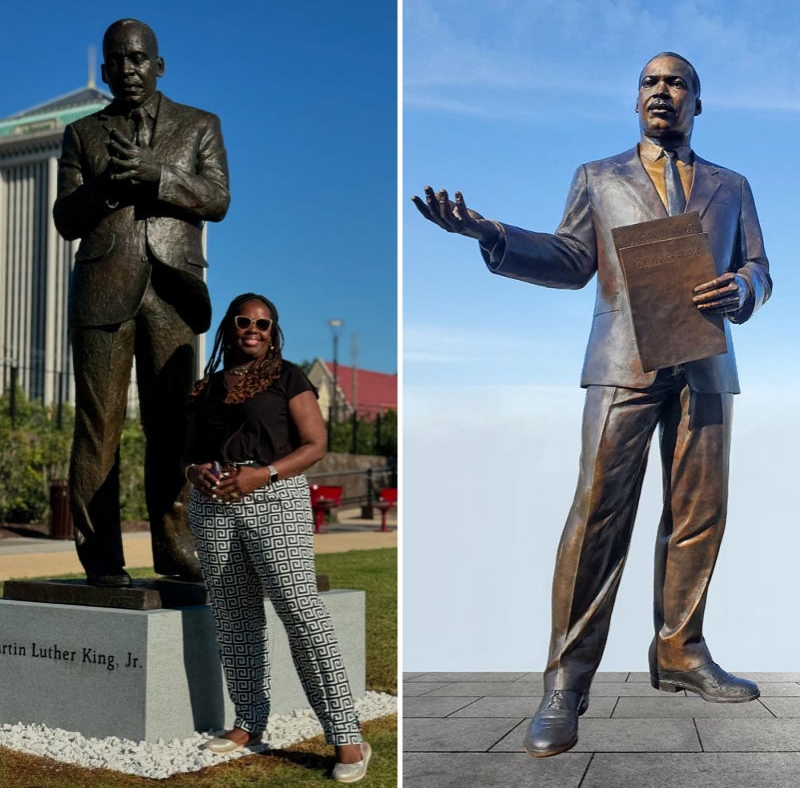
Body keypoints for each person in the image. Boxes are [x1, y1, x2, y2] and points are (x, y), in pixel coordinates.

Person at [412, 52, 771, 757]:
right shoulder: (598, 178)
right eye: (649, 82)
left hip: (705, 360)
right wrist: (495, 237)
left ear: (698, 102)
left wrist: (745, 289)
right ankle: (565, 685)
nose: (660, 91)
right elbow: (574, 260)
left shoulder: (733, 185)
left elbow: (759, 266)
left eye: (676, 83)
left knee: (700, 515)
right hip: (623, 363)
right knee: (598, 516)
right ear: (636, 99)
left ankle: (680, 652)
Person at [53, 18, 230, 586]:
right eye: (116, 60)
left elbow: (218, 199)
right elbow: (64, 218)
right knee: (98, 427)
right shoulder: (82, 134)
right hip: (104, 290)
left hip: (174, 291)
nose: (127, 69)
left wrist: (160, 176)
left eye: (137, 59)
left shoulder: (200, 125)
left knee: (175, 429)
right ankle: (101, 559)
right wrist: (104, 186)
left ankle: (177, 550)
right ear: (104, 69)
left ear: (158, 65)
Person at [182, 293, 371, 782]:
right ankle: (249, 722)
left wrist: (261, 474)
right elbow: (189, 452)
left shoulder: (289, 376)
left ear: (273, 331)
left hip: (274, 499)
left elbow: (315, 444)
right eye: (245, 321)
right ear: (230, 326)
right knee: (234, 614)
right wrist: (195, 471)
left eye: (263, 324)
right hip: (213, 505)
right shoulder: (207, 387)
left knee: (299, 609)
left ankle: (347, 735)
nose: (254, 330)